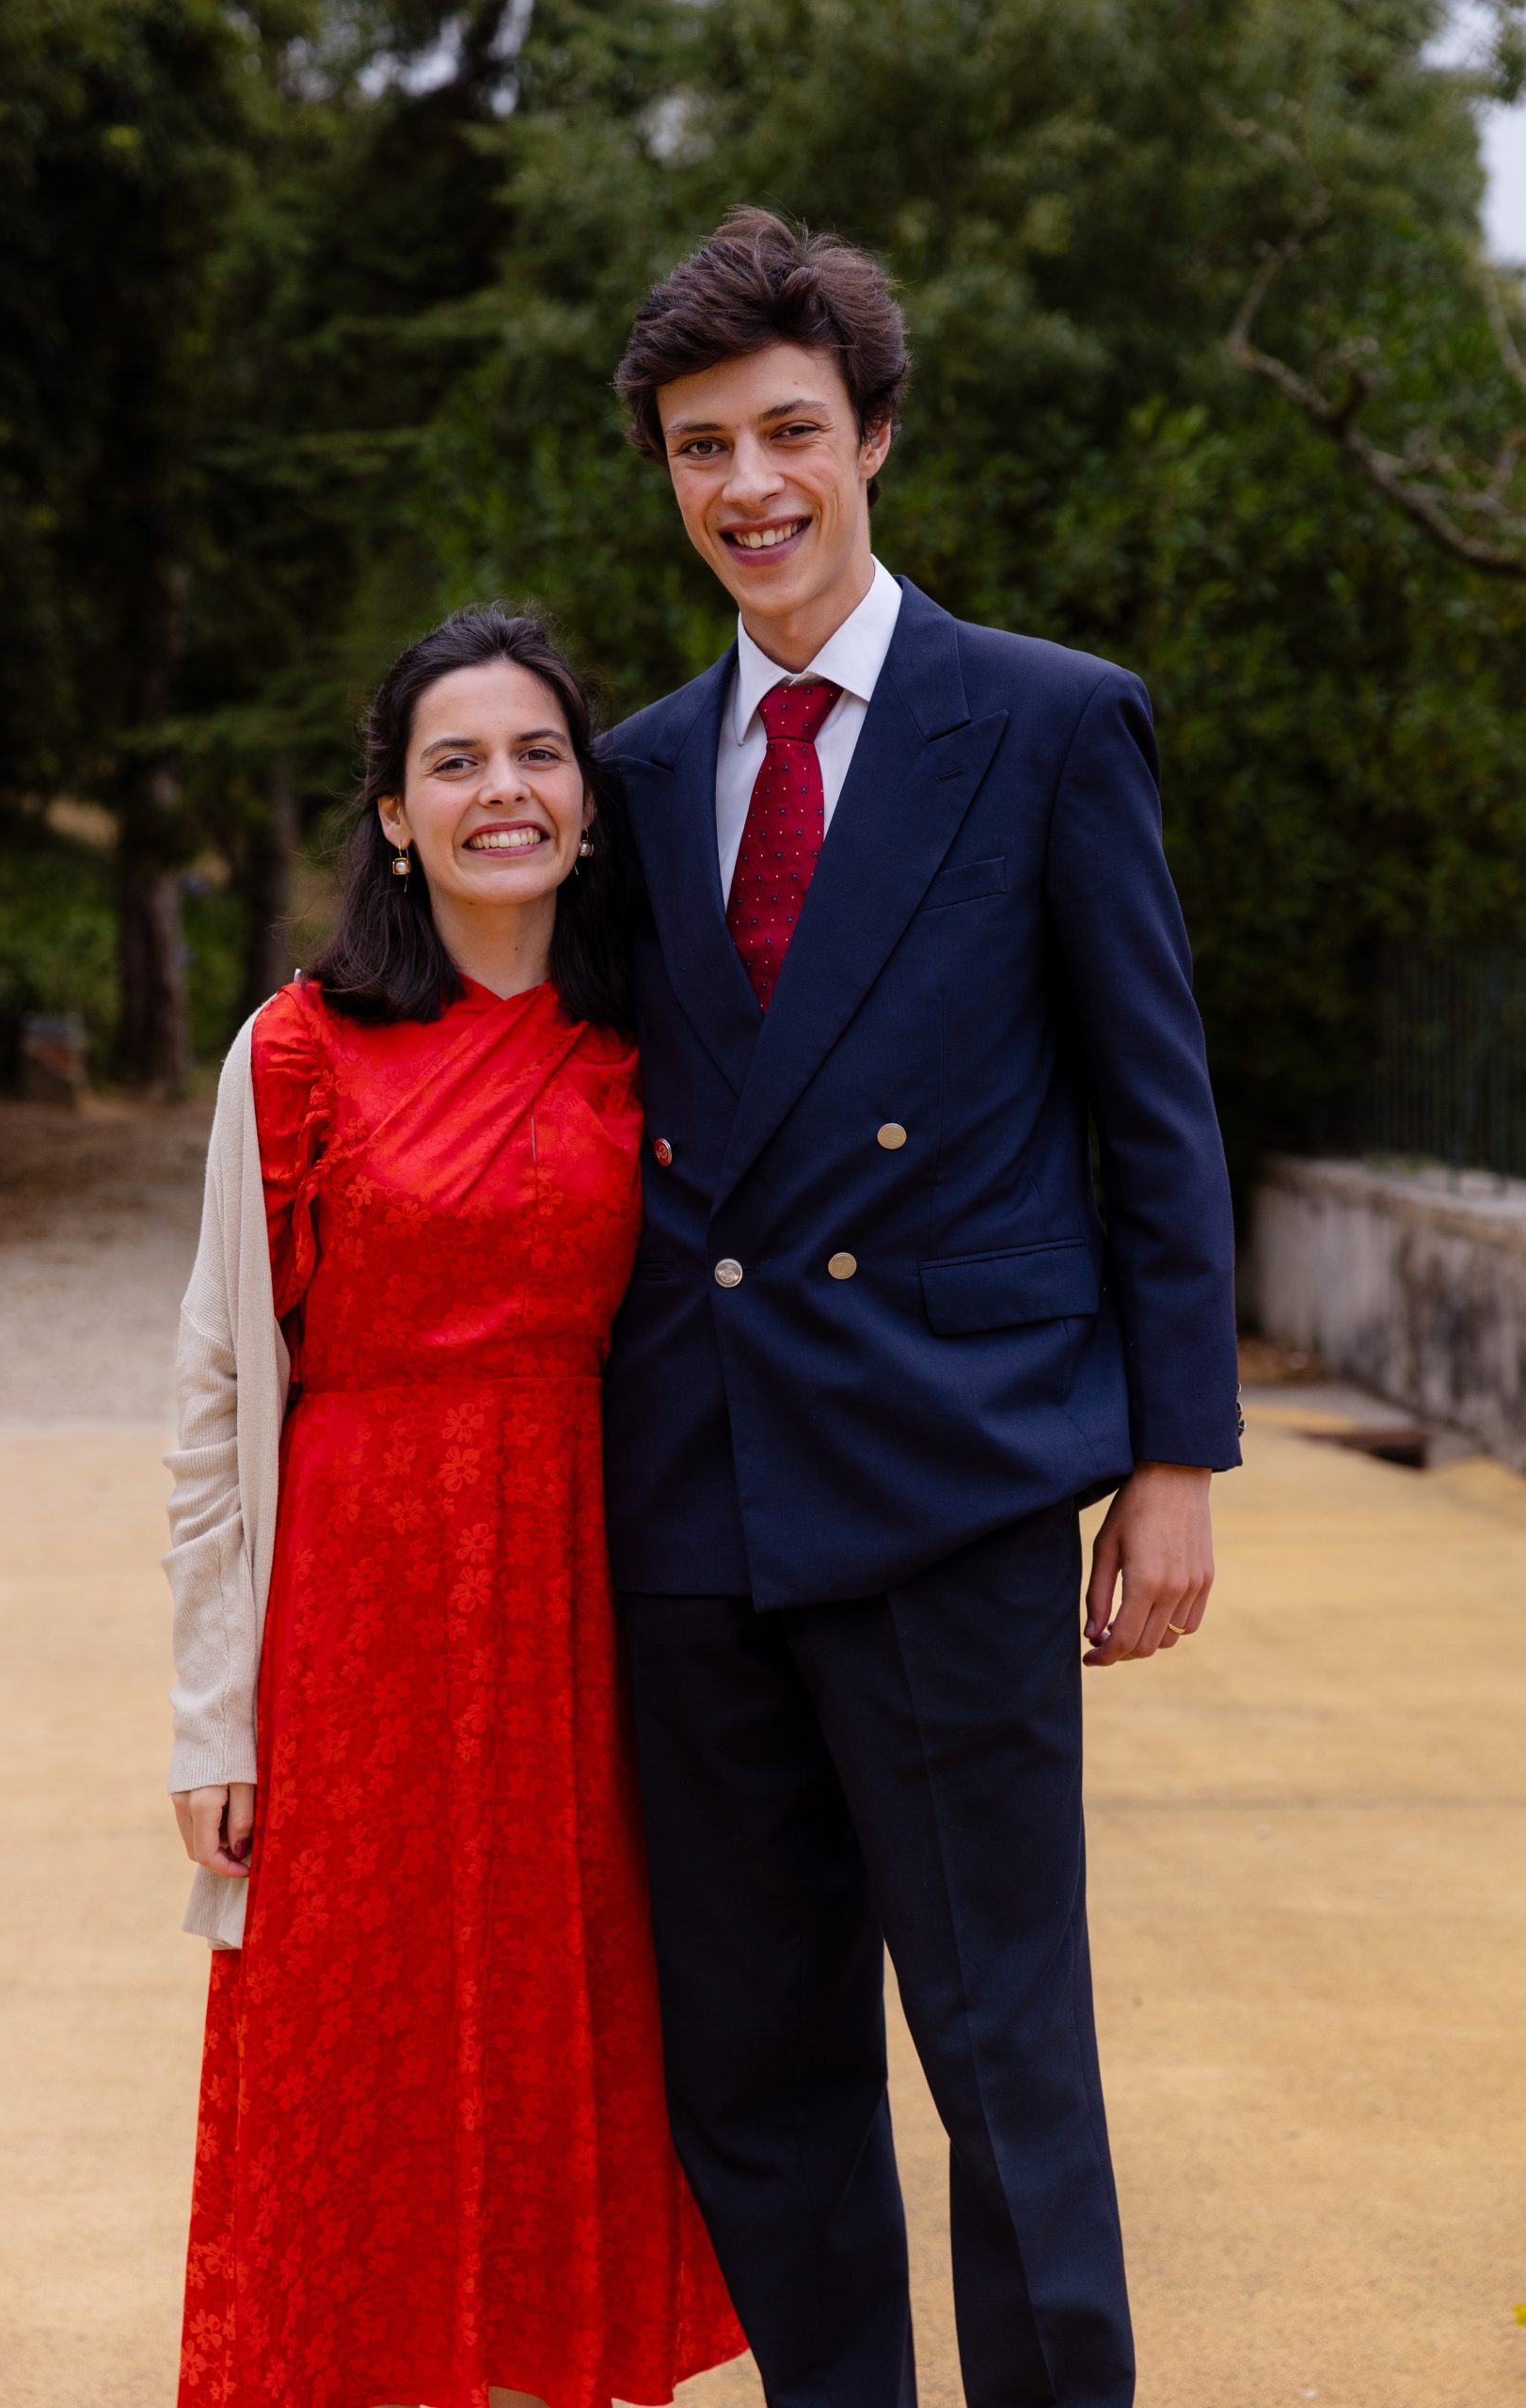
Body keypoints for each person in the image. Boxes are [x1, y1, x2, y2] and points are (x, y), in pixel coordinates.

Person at [602, 209, 1243, 2408]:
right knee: (754, 2063)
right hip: (692, 1495)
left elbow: (1155, 1118)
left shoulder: (1047, 722)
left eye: (787, 430)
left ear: (870, 435)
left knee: (1002, 2050)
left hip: (951, 1479)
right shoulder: (627, 775)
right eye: (701, 446)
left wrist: (1171, 1457)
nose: (747, 483)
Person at [163, 608, 743, 2408]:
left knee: (572, 2015)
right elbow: (213, 1397)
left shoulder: (653, 1043)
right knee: (359, 2039)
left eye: (539, 753)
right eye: (457, 762)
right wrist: (211, 1718)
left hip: (586, 1600)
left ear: (590, 798)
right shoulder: (297, 1051)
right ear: (396, 817)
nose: (505, 790)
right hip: (358, 1612)